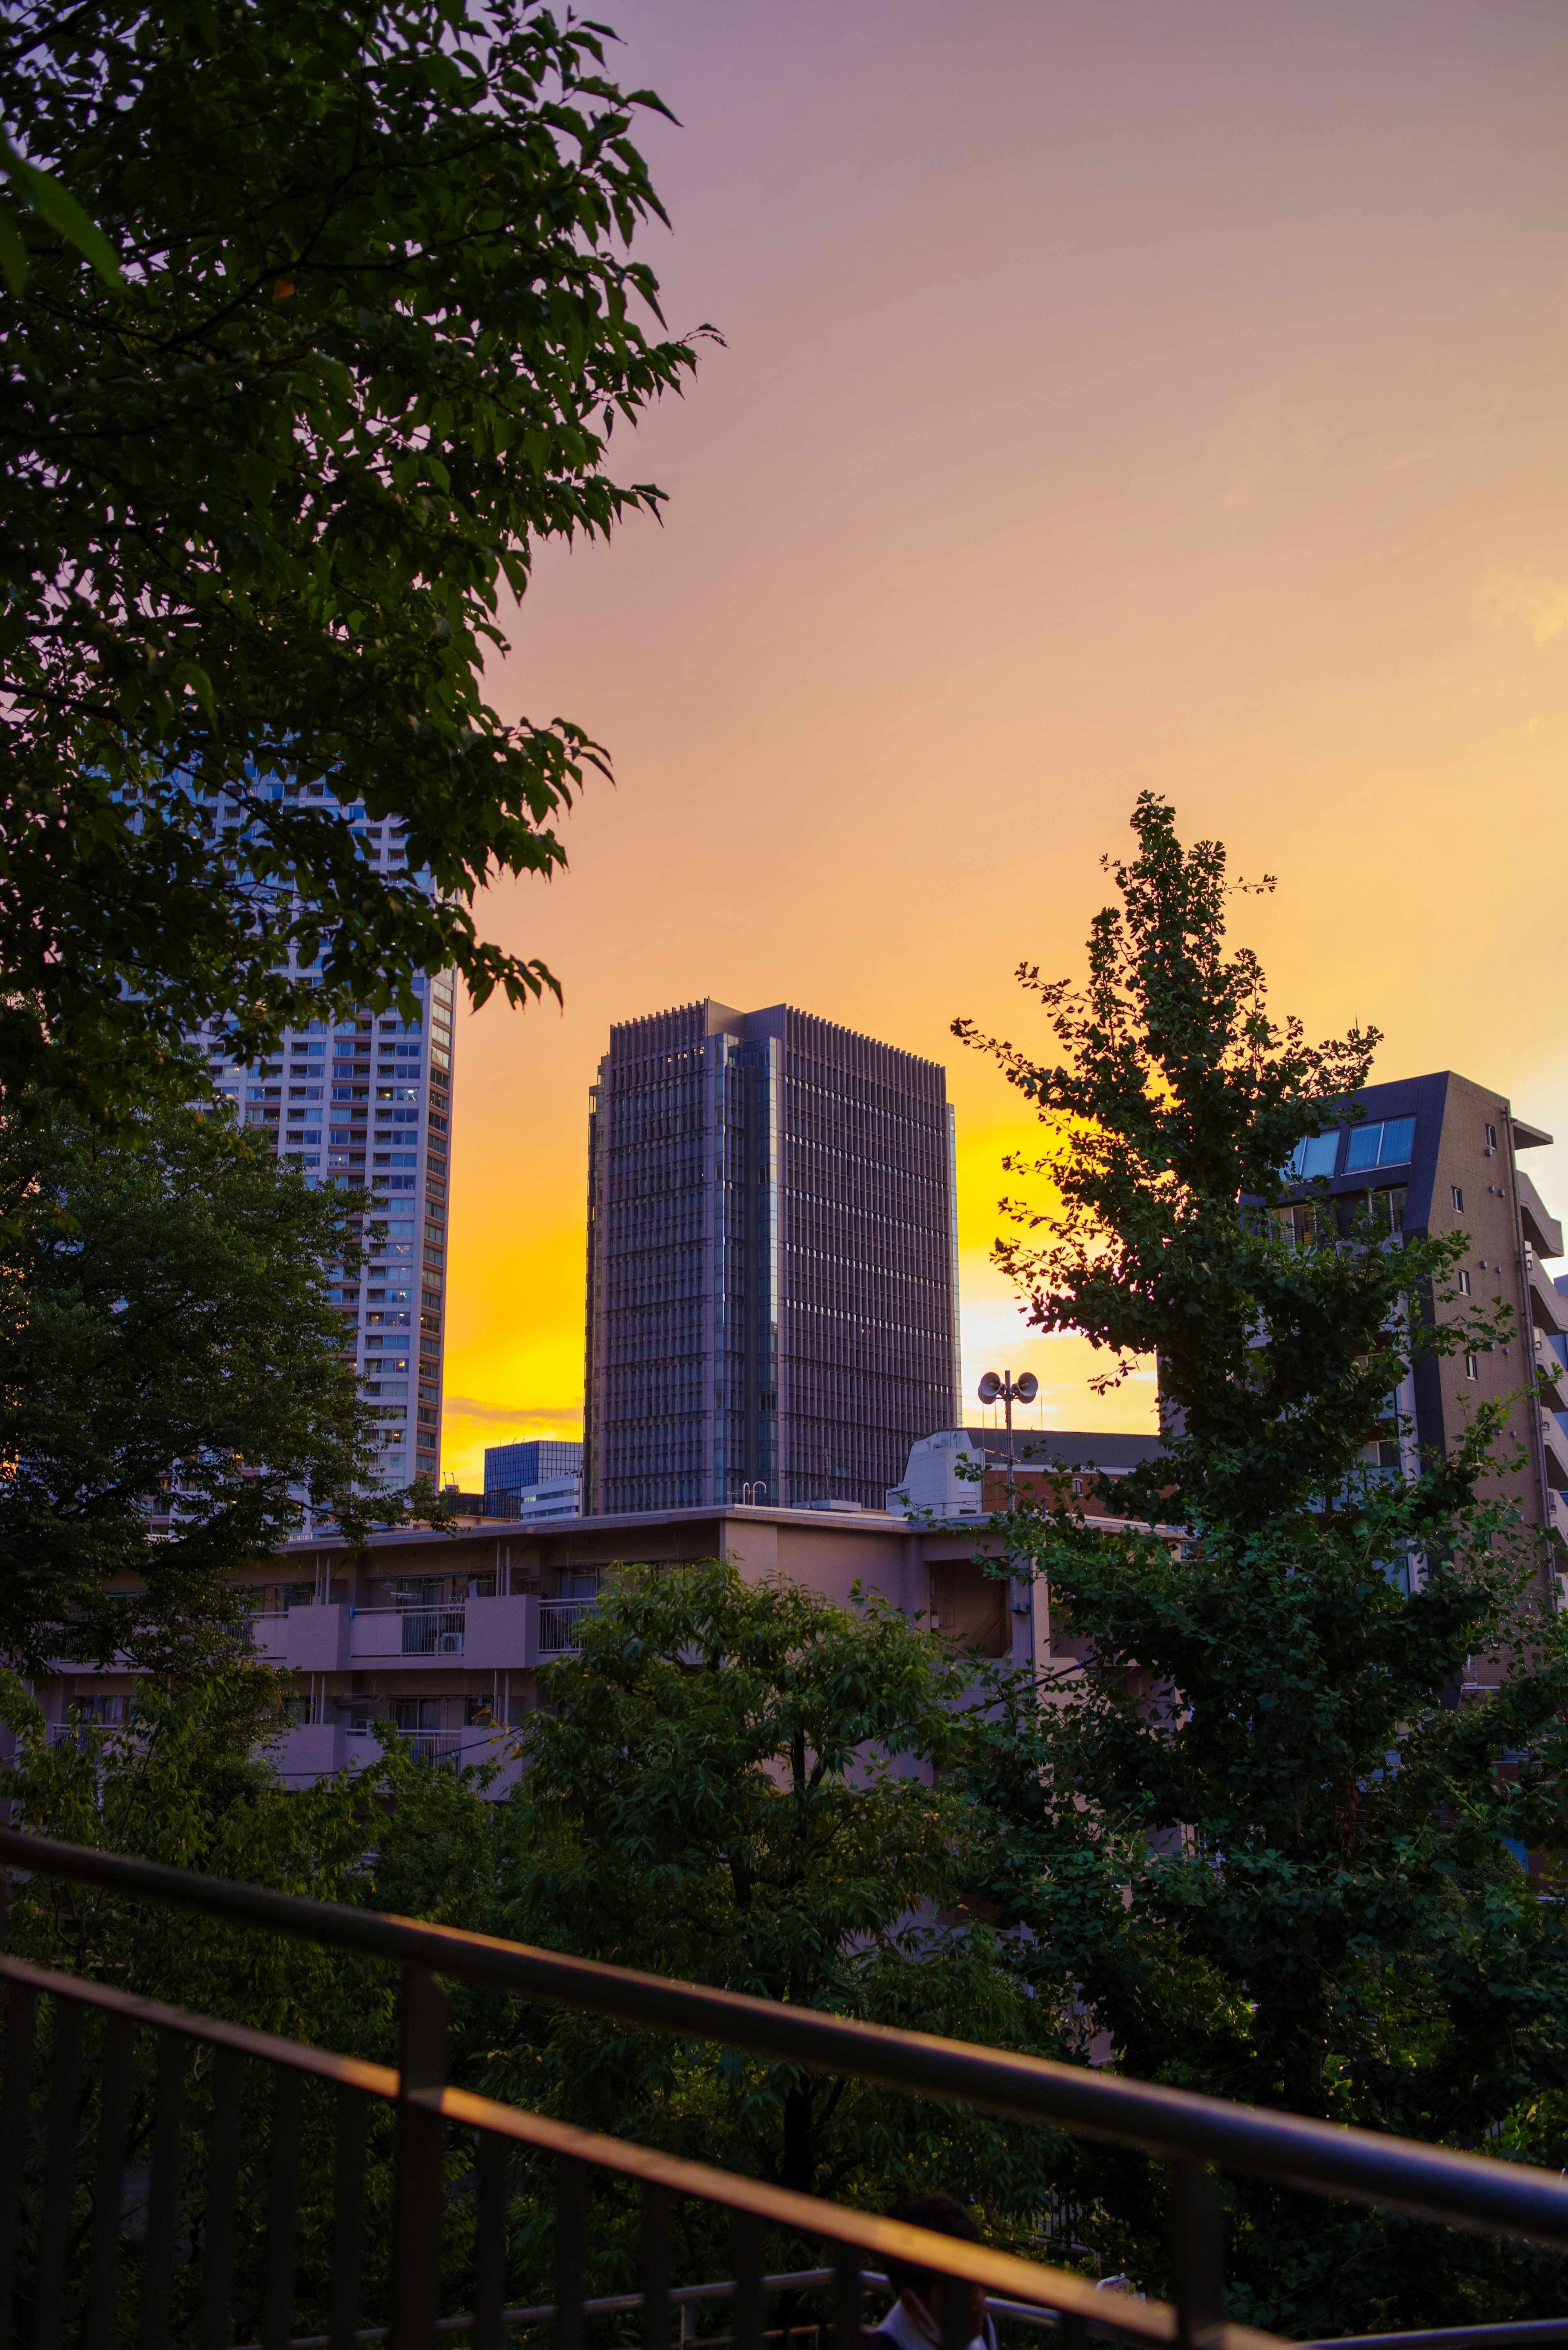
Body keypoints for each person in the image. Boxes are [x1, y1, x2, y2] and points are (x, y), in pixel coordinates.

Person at [872, 2194, 998, 2350]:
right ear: (912, 2304)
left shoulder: (981, 2330)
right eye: (958, 2290)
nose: (979, 2302)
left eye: (980, 2278)